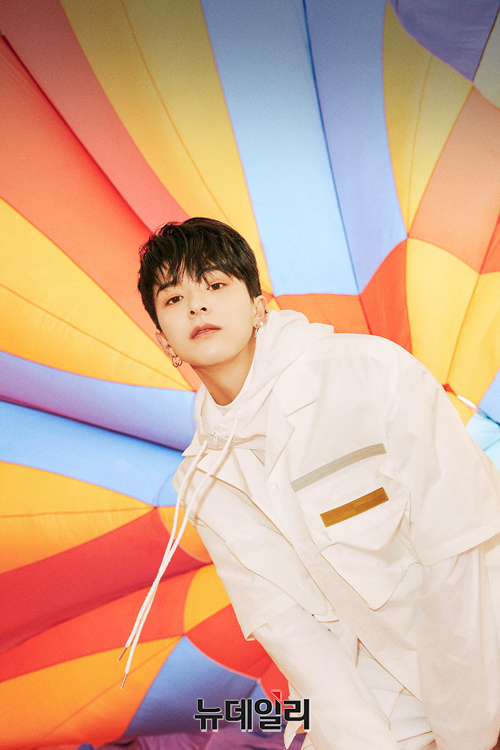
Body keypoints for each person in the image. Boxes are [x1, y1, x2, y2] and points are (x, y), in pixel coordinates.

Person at [123, 217, 500, 750]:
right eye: (174, 297)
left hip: (484, 653)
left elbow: (457, 557)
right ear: (165, 341)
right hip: (381, 704)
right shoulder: (202, 481)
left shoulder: (371, 373)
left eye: (215, 284)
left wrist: (468, 735)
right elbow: (289, 629)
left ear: (258, 305)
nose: (197, 307)